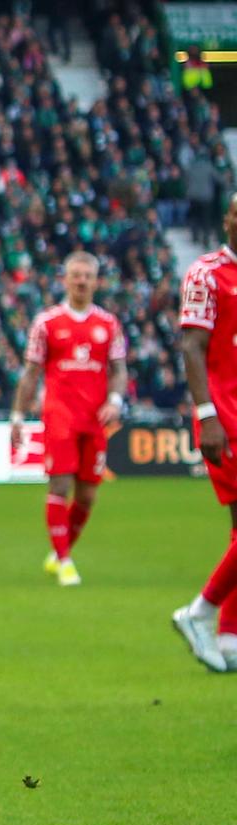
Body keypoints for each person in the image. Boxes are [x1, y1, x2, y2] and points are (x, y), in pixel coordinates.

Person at [9, 252, 127, 587]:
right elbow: (31, 373)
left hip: (96, 420)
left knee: (88, 495)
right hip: (60, 417)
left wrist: (116, 400)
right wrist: (18, 416)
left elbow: (119, 370)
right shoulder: (46, 323)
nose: (81, 281)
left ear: (96, 281)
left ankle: (60, 552)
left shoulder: (108, 324)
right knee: (60, 486)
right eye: (75, 275)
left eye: (87, 275)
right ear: (65, 279)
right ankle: (64, 560)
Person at [171, 194, 237, 672]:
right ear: (229, 219)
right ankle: (201, 612)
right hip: (227, 414)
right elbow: (192, 346)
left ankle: (230, 636)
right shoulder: (207, 273)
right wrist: (207, 415)